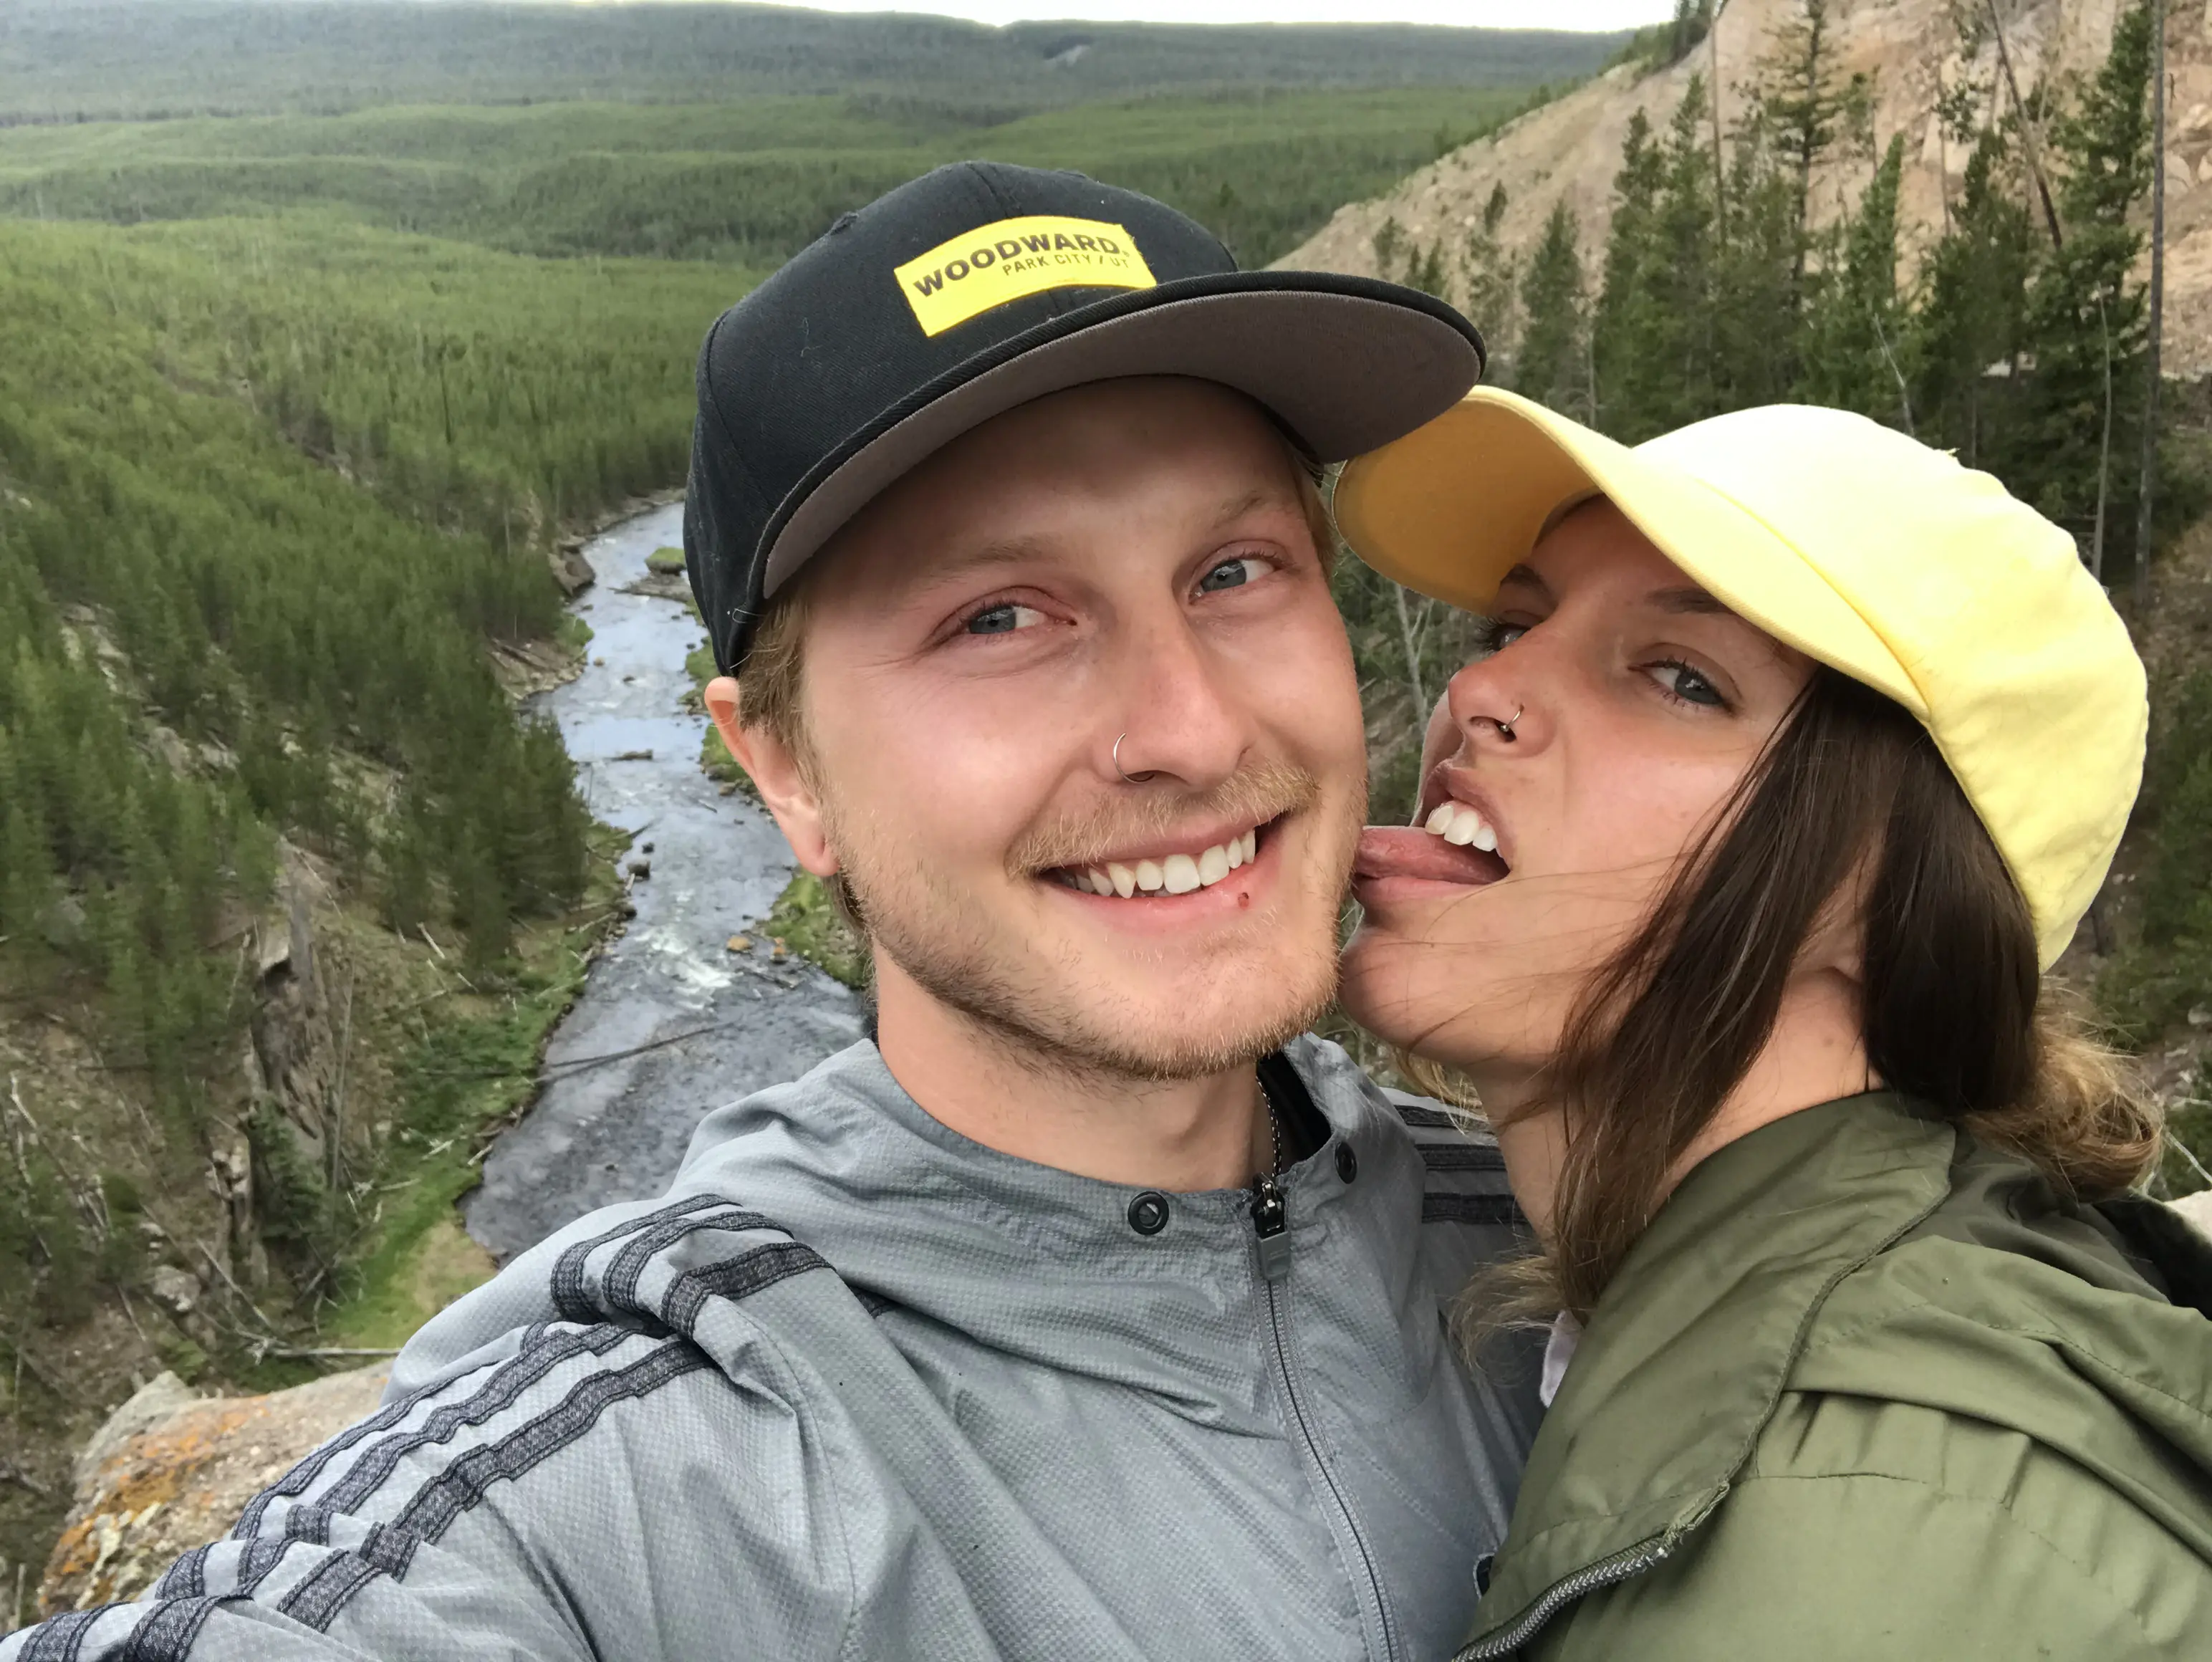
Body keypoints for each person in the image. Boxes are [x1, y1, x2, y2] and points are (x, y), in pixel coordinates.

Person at [1, 167, 1540, 1661]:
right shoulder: (654, 1458)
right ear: (783, 768)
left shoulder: (1557, 1240)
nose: (1190, 731)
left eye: (1232, 569)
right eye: (998, 615)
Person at [1332, 385, 2212, 1660]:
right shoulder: (1860, 1327)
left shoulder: (1854, 1558)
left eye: (1680, 680)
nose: (1484, 687)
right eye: (1516, 621)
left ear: (1897, 904)